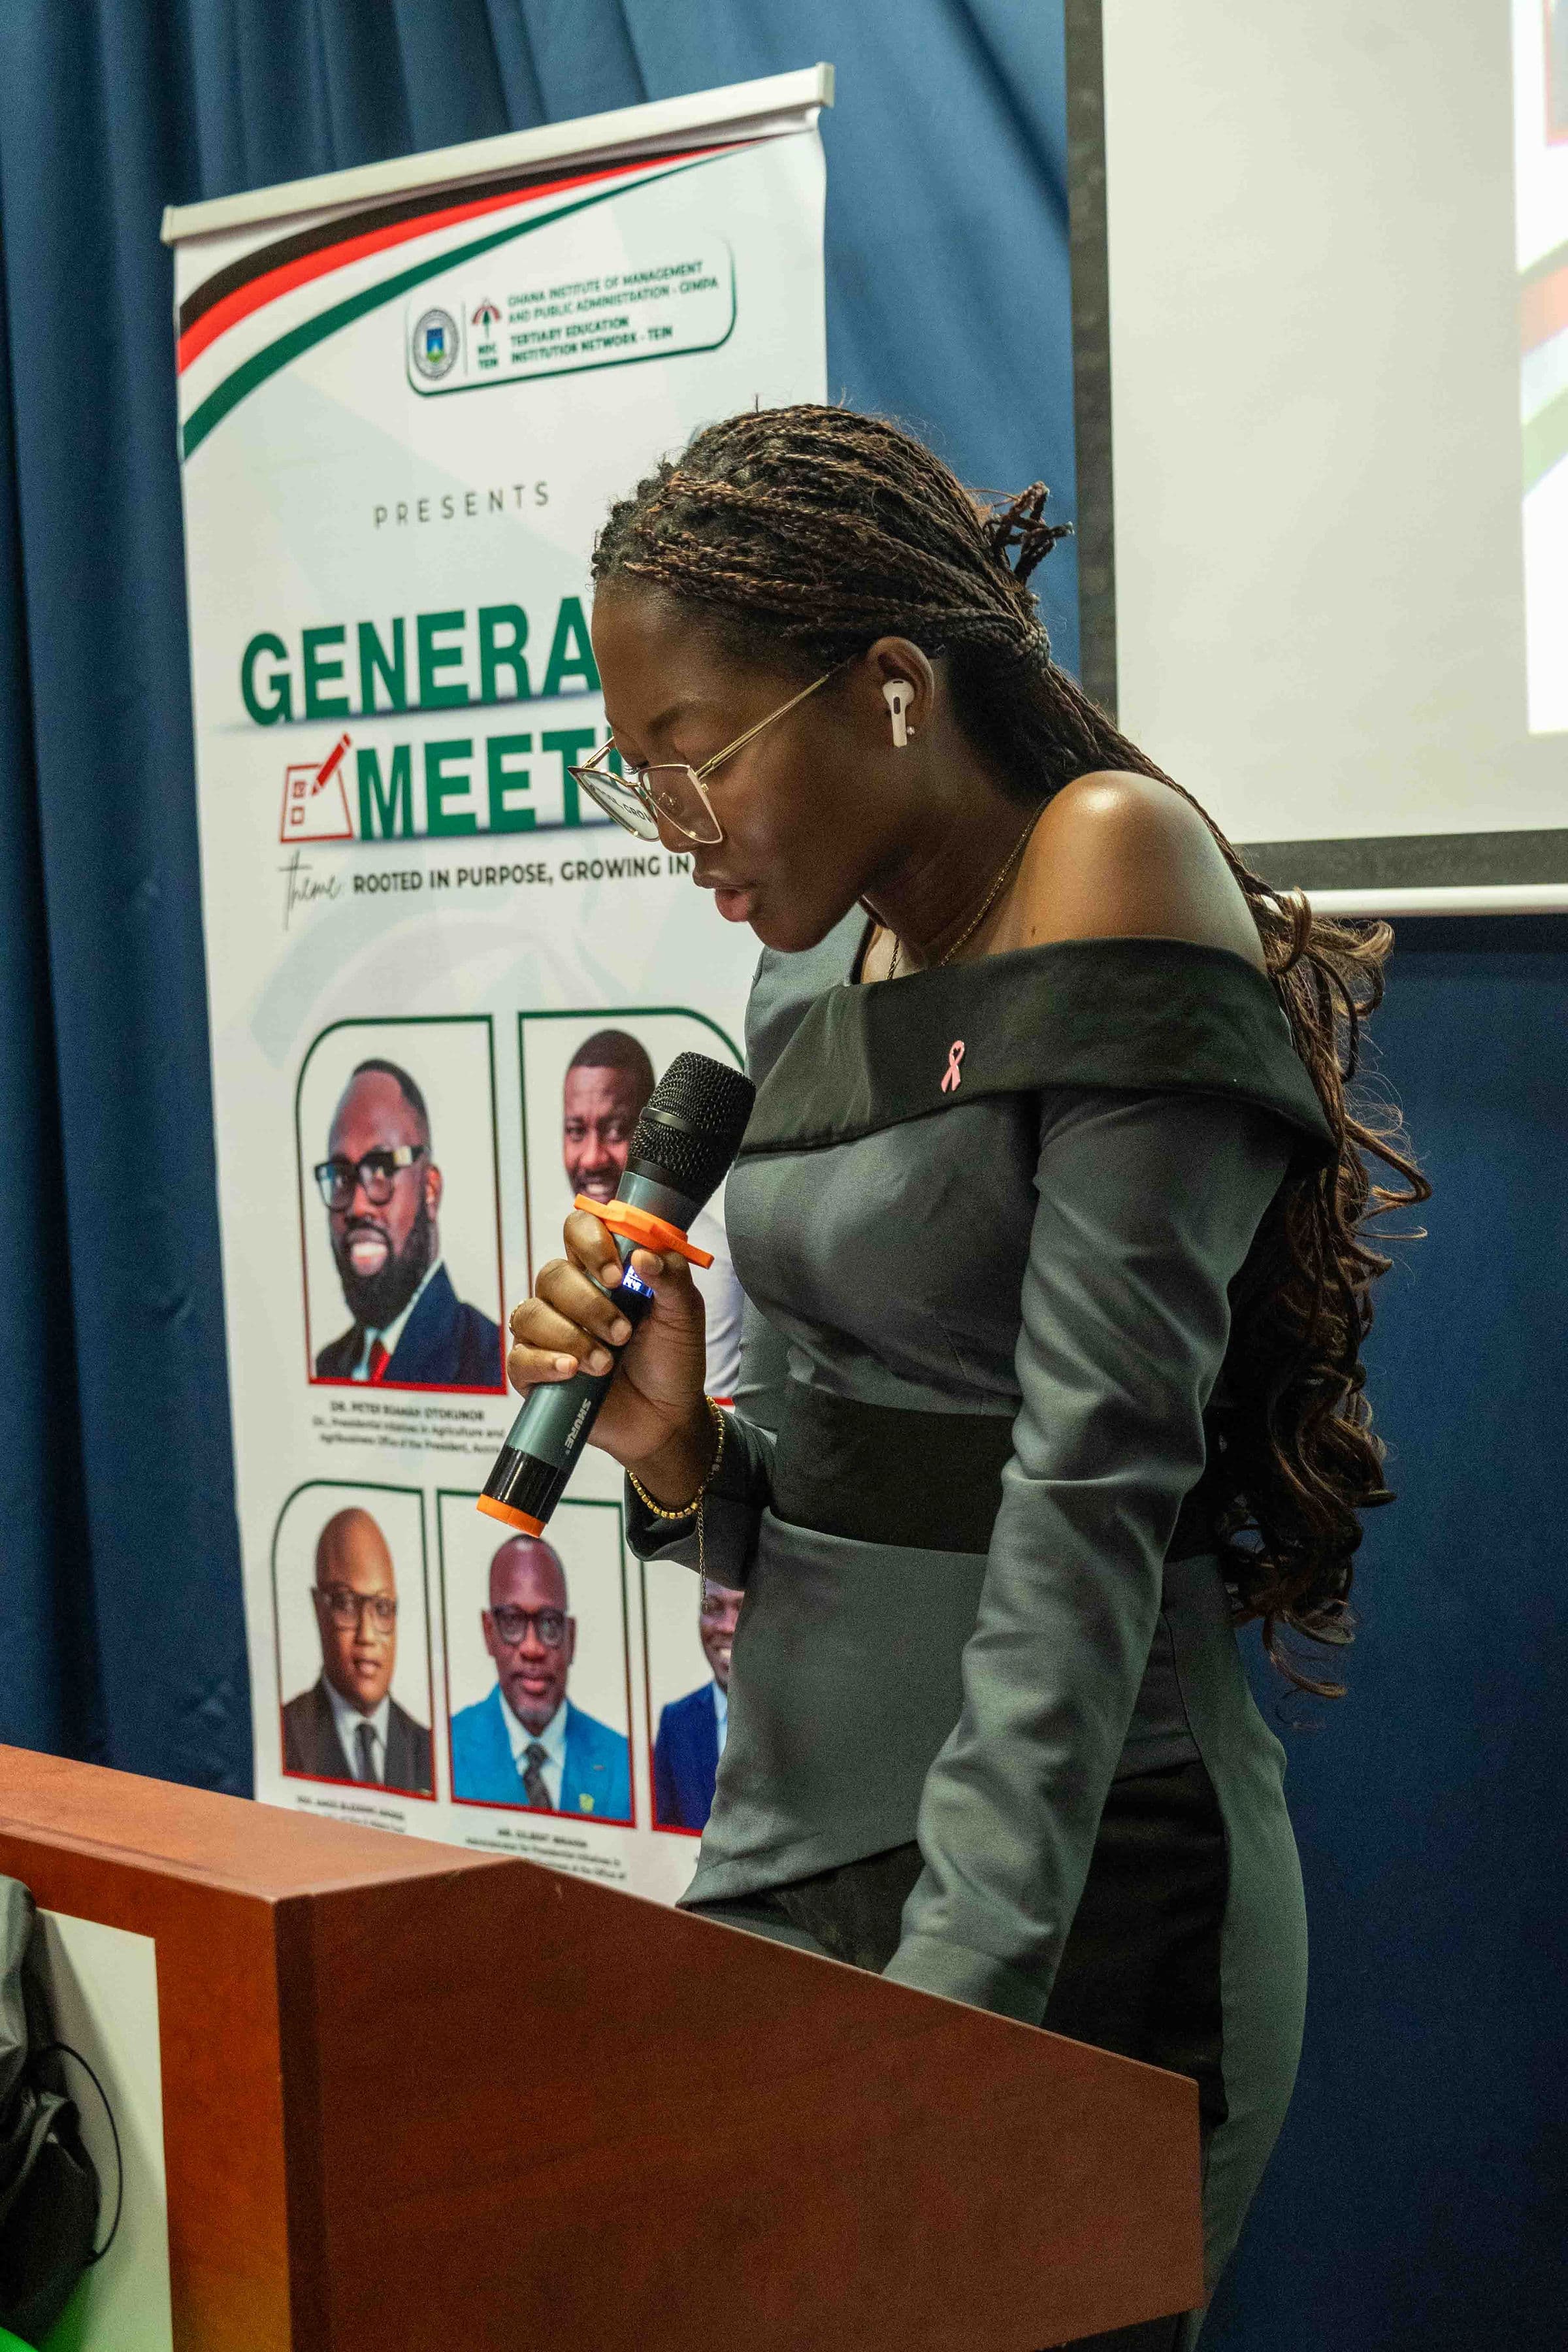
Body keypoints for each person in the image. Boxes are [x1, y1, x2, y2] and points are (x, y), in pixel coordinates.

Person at [504, 407, 1428, 2347]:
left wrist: (946, 2024)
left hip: (1063, 1886)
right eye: (635, 772)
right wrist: (680, 1461)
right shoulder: (803, 969)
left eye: (696, 754)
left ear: (892, 685)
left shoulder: (1108, 859)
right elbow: (871, 1455)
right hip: (791, 1849)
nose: (676, 825)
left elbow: (1082, 1501)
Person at [560, 1026, 743, 1398]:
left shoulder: (710, 1269)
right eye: (576, 1131)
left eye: (616, 1131)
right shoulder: (578, 1237)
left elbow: (713, 1420)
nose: (592, 1158)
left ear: (649, 1135)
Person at [312, 1057, 502, 1388]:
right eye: (341, 1177)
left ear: (430, 1189)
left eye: (382, 1169)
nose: (357, 1205)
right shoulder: (330, 1364)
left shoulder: (490, 1362)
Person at [449, 1533, 631, 1820]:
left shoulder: (625, 1764)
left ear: (571, 1638)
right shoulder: (446, 1750)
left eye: (550, 1623)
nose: (532, 1648)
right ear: (488, 1632)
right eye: (512, 1620)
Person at [282, 1506, 433, 1794]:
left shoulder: (430, 1753)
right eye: (346, 1604)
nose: (367, 1635)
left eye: (382, 1608)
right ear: (318, 1609)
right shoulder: (284, 1737)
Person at [652, 1576, 743, 1831]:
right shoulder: (676, 1722)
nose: (727, 1626)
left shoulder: (801, 1721)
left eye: (744, 1608)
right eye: (712, 1607)